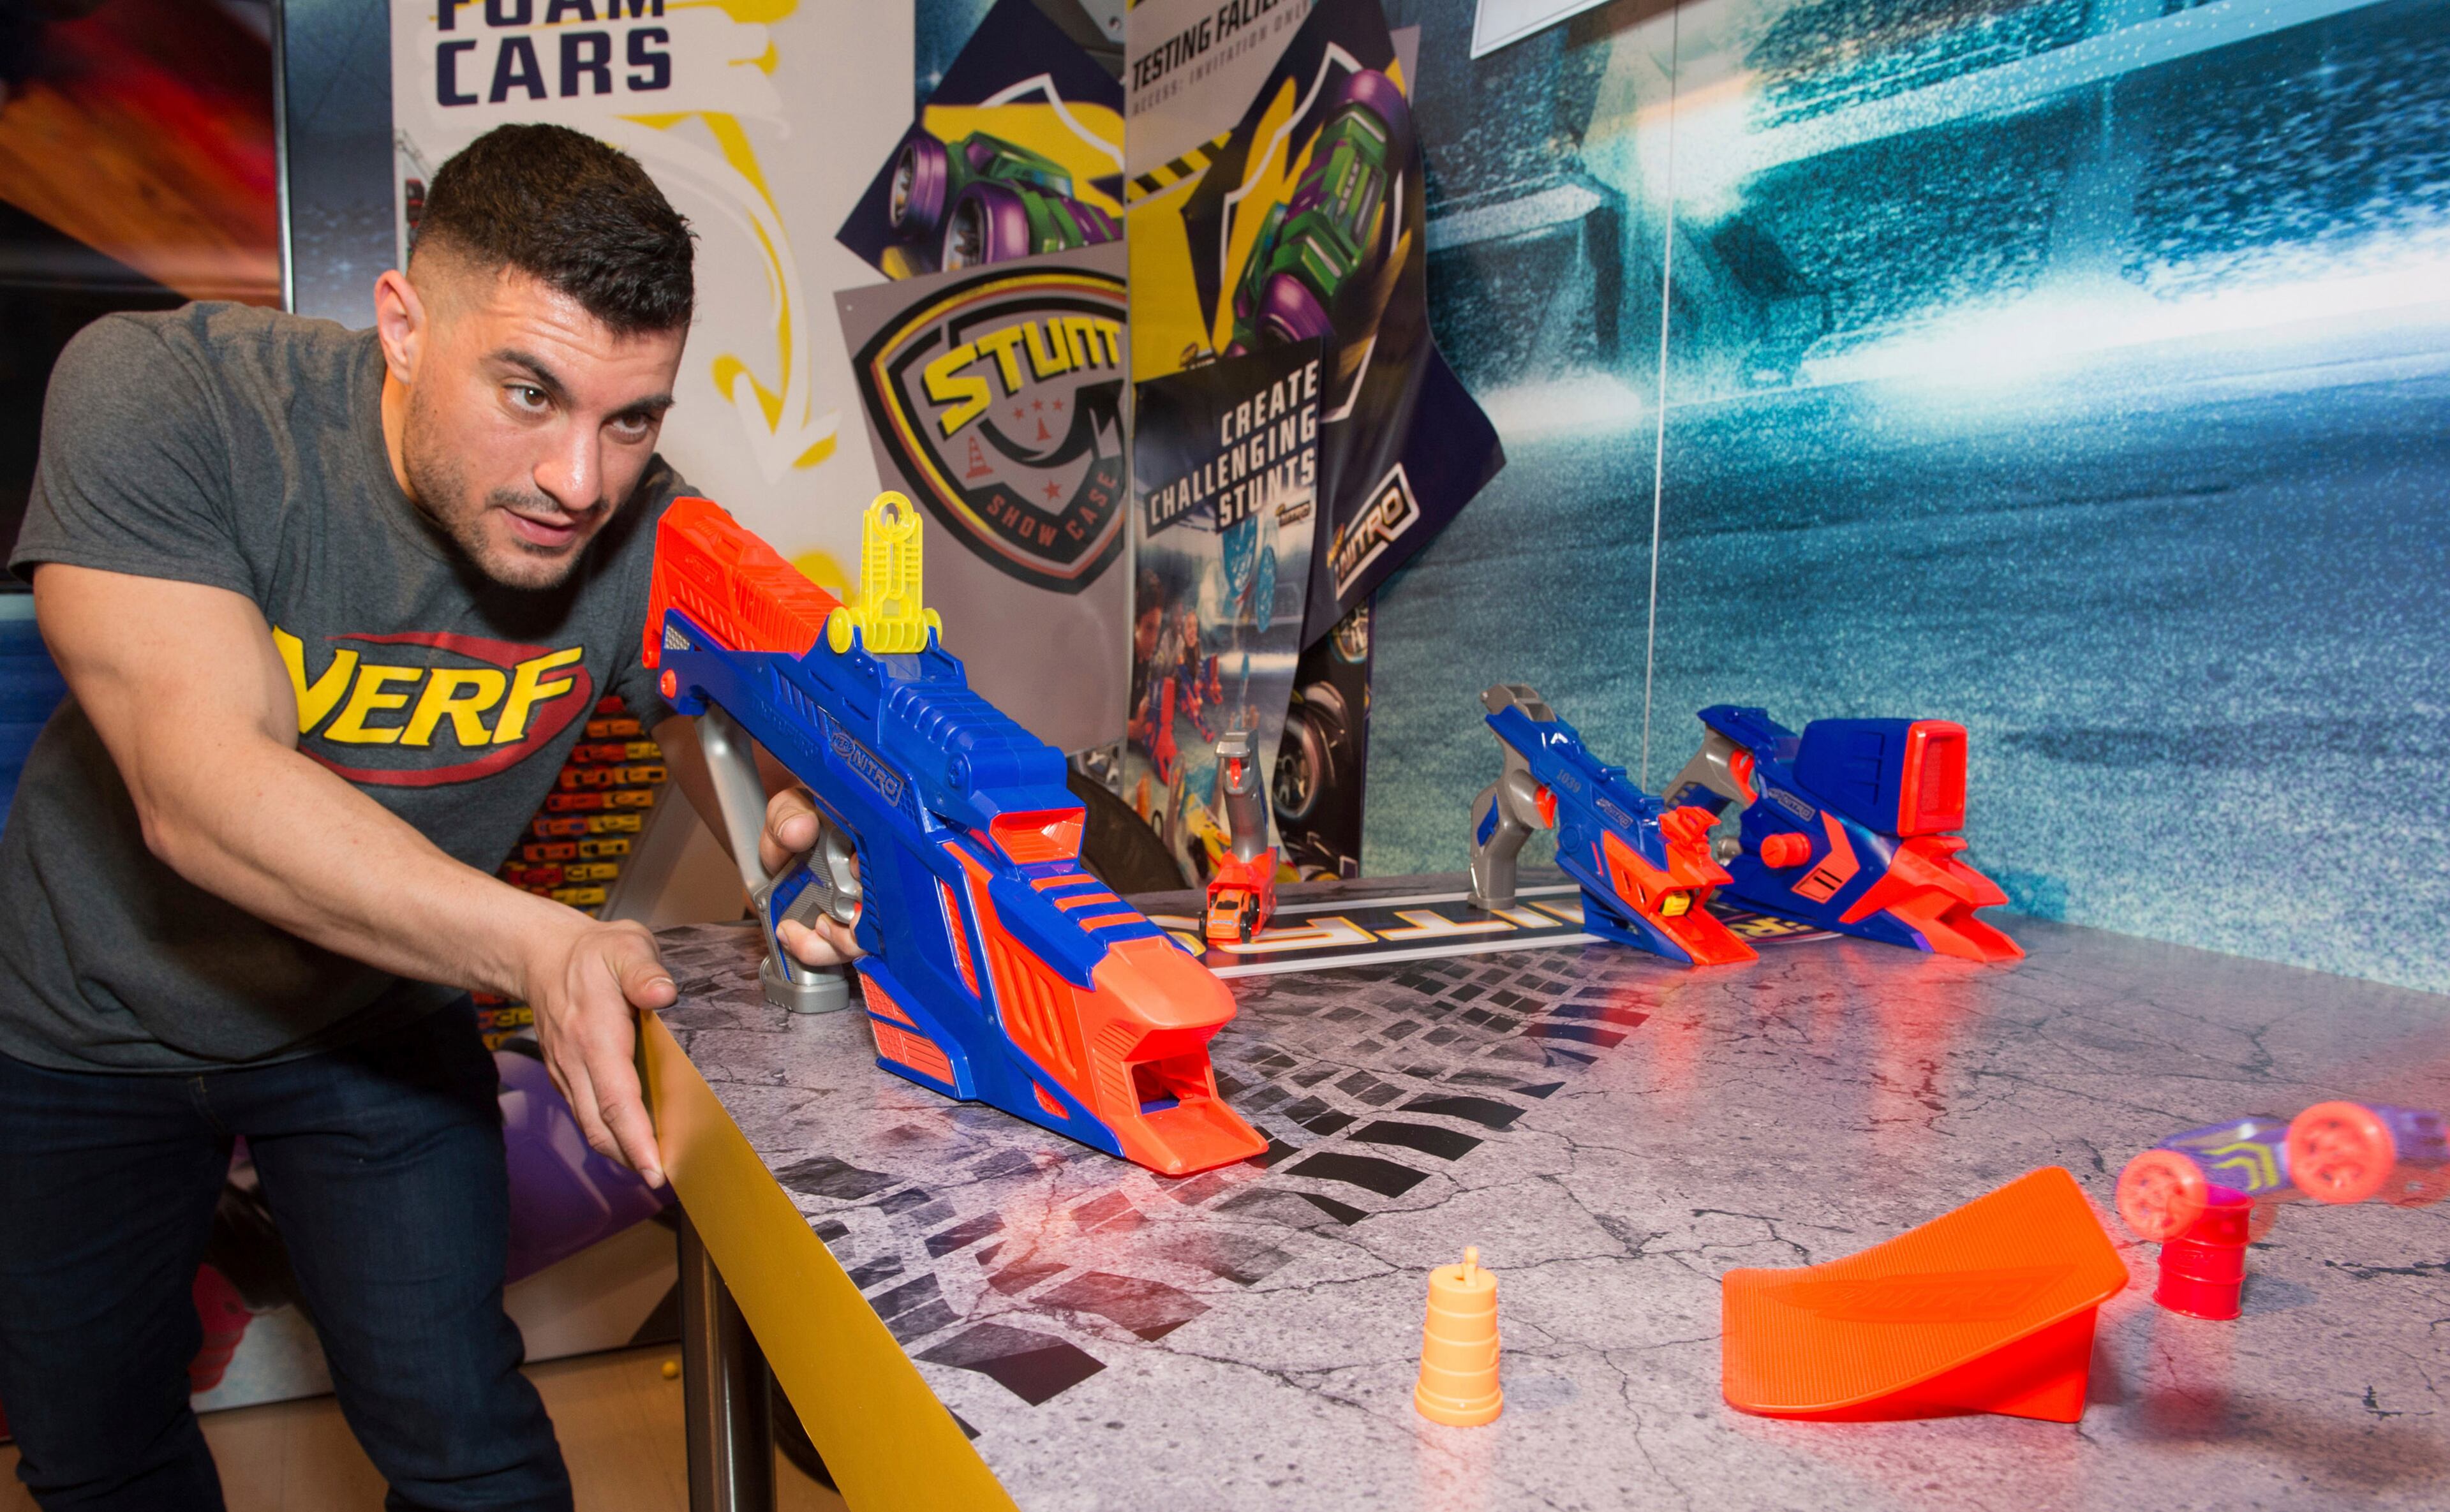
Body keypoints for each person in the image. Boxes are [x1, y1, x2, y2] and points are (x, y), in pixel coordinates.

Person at [0, 123, 854, 1511]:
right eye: (529, 391)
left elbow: (741, 762)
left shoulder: (647, 535)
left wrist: (811, 824)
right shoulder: (166, 399)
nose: (581, 480)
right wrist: (536, 946)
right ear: (402, 326)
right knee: (98, 1458)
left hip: (371, 1030)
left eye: (631, 418)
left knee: (473, 1451)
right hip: (78, 1032)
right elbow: (195, 785)